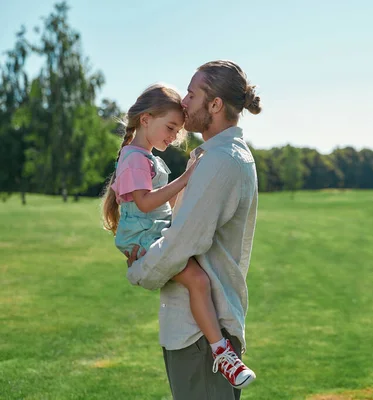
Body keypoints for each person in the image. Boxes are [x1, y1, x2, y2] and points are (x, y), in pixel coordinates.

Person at [101, 82, 256, 394]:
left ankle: (220, 349)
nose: (172, 138)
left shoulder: (146, 158)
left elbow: (167, 205)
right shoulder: (134, 159)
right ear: (145, 119)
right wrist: (186, 180)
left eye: (176, 131)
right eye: (170, 128)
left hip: (153, 231)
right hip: (145, 237)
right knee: (198, 282)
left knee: (198, 281)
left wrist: (188, 192)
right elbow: (146, 203)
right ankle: (222, 352)